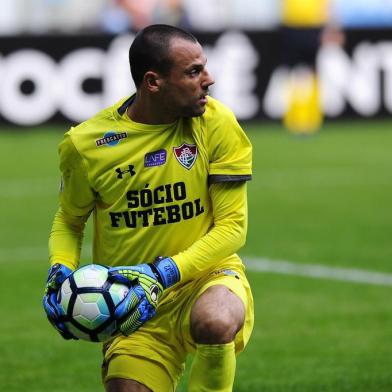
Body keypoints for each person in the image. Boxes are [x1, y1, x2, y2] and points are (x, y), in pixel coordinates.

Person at [43, 24, 254, 392]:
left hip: (205, 278)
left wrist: (163, 273)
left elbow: (232, 228)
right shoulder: (86, 145)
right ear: (153, 82)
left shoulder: (216, 123)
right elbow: (69, 220)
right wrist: (59, 270)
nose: (209, 79)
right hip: (132, 303)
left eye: (204, 67)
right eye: (193, 72)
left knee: (216, 321)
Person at [280, 0, 344, 134]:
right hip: (293, 27)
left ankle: (312, 118)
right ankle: (294, 118)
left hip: (313, 28)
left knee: (313, 74)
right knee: (294, 75)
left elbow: (327, 6)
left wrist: (332, 26)